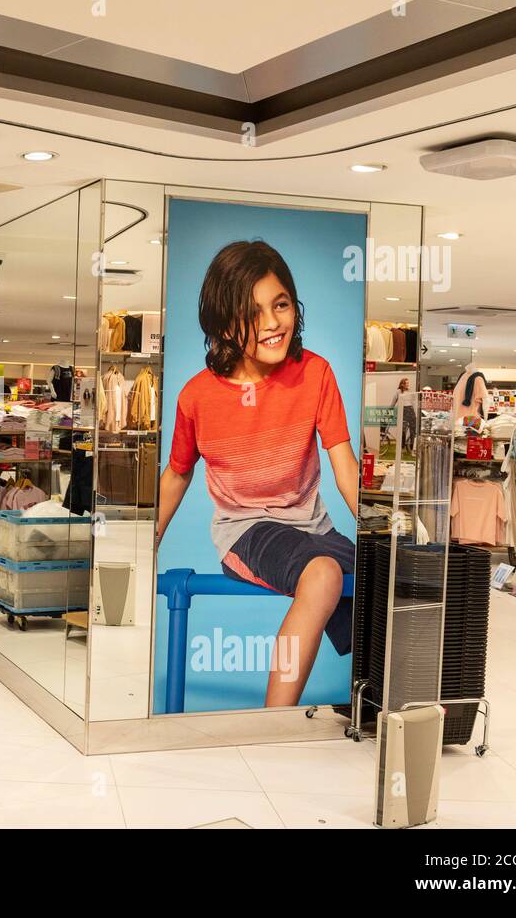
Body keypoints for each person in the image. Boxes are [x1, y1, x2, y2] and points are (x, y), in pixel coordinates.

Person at [155, 240, 359, 707]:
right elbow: (177, 474)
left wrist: (378, 528)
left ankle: (383, 707)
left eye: (280, 304)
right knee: (324, 574)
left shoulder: (316, 374)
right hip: (246, 529)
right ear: (225, 324)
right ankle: (270, 722)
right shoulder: (197, 397)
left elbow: (342, 460)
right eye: (252, 312)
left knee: (387, 583)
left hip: (315, 527)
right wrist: (148, 545)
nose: (271, 323)